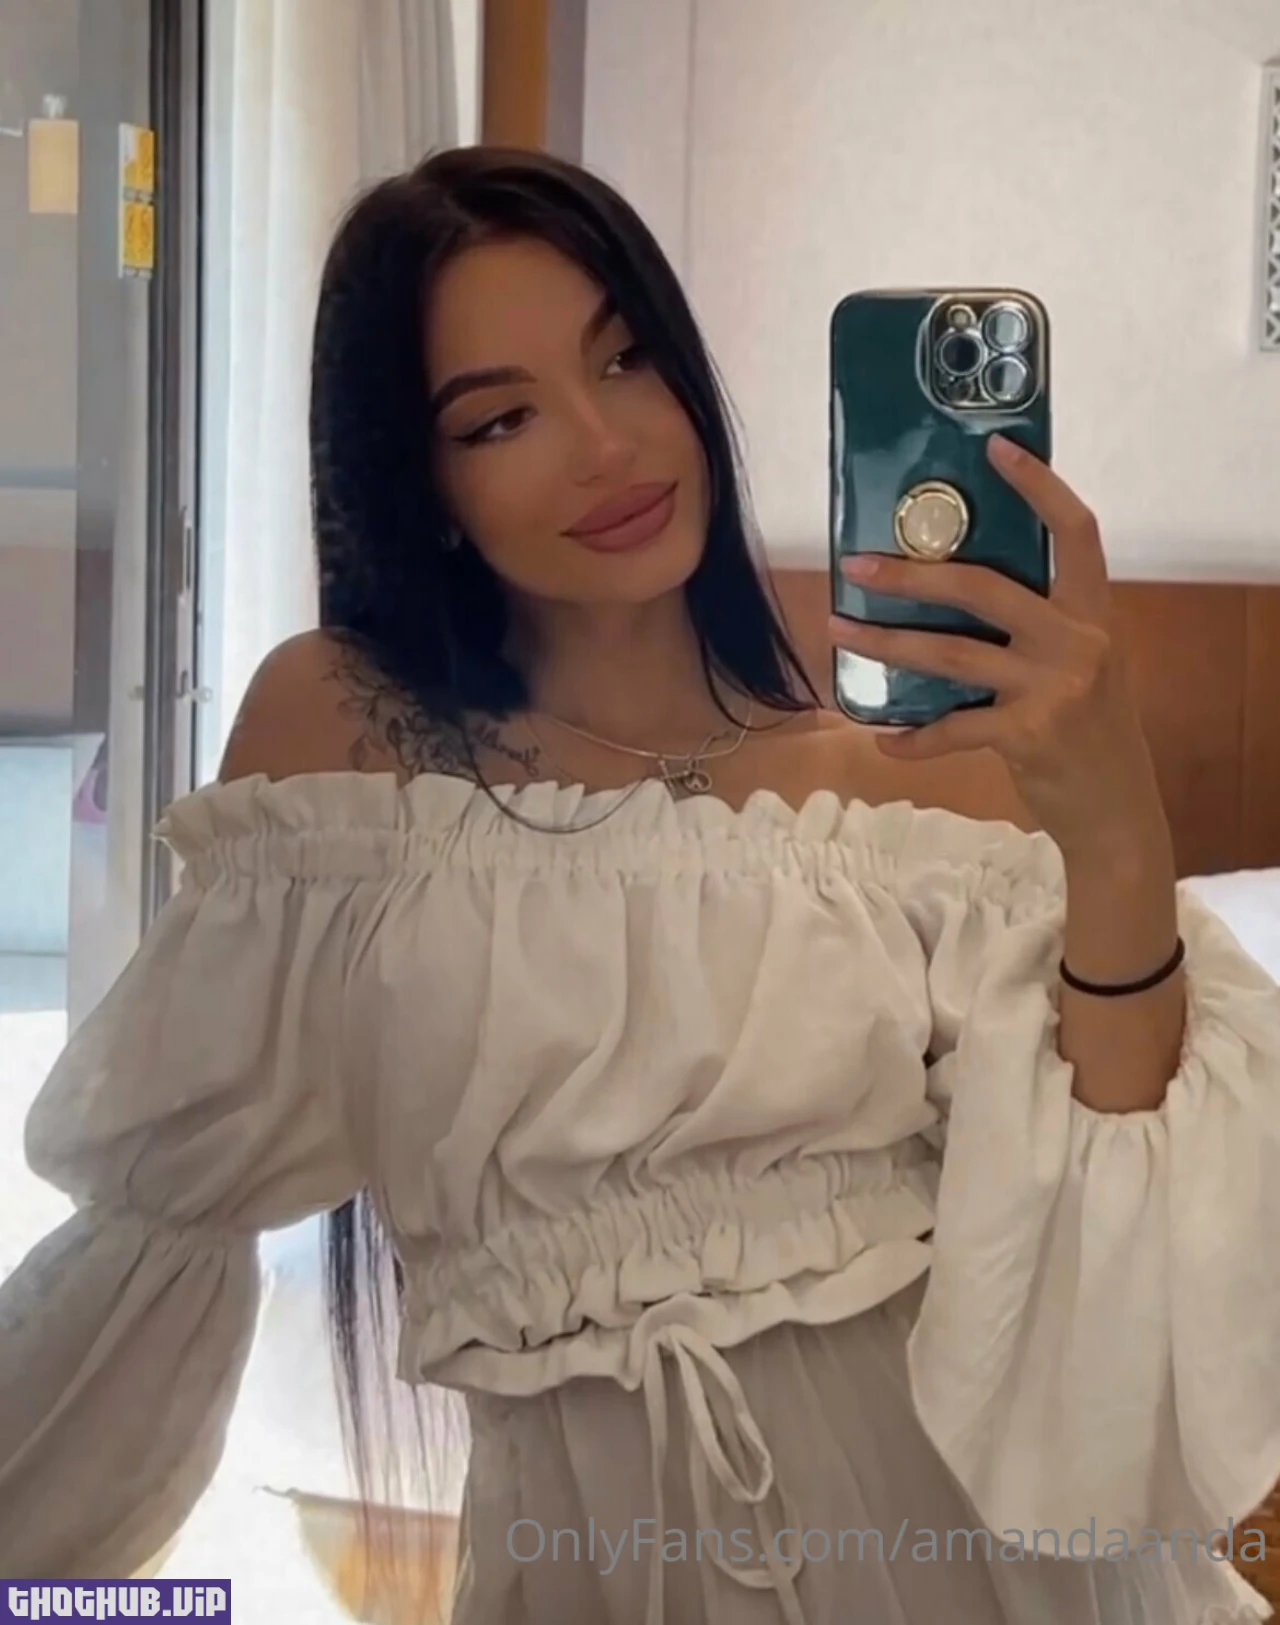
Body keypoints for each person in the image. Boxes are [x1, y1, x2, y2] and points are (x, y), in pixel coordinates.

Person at [1, 145, 1278, 1625]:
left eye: (626, 359)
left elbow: (1118, 1255)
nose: (606, 444)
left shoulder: (900, 798)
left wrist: (1115, 833)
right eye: (502, 417)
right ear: (422, 484)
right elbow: (156, 1233)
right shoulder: (342, 752)